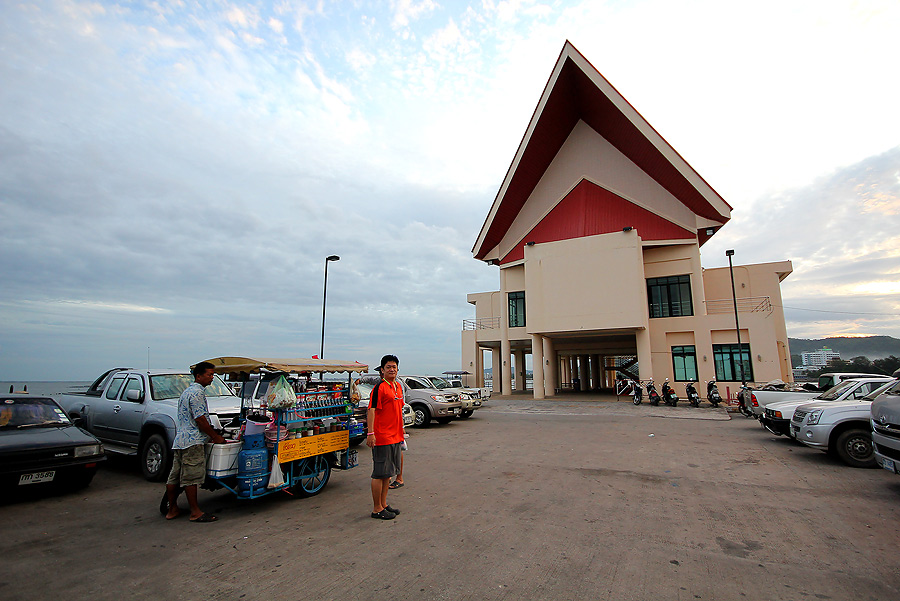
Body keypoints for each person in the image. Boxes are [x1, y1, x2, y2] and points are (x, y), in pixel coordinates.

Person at [164, 361, 226, 522]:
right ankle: (195, 512)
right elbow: (200, 420)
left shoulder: (186, 392)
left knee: (175, 477)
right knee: (191, 478)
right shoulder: (197, 393)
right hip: (193, 441)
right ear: (199, 376)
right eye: (209, 375)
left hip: (181, 440)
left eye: (213, 374)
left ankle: (172, 509)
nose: (212, 378)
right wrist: (215, 437)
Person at [367, 355, 405, 520]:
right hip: (382, 437)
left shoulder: (397, 386)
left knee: (388, 474)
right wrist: (370, 433)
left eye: (394, 367)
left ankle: (383, 504)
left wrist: (402, 433)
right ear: (382, 370)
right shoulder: (379, 388)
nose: (391, 369)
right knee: (379, 473)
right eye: (388, 367)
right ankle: (376, 509)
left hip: (395, 436)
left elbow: (398, 410)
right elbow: (371, 410)